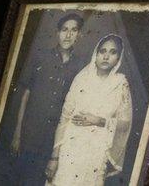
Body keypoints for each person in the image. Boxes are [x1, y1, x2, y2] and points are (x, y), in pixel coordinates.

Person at [46, 34, 133, 186]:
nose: (106, 56)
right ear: (96, 53)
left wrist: (99, 121)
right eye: (102, 51)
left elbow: (125, 125)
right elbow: (64, 119)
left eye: (113, 52)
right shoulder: (81, 78)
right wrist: (54, 157)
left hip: (96, 154)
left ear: (119, 57)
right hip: (70, 150)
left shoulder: (121, 84)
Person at [9, 13, 85, 185]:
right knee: (18, 178)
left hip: (52, 140)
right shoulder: (40, 56)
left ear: (79, 35)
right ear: (57, 32)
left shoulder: (81, 66)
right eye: (64, 30)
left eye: (74, 30)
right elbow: (25, 97)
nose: (68, 35)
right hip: (29, 134)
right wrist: (17, 133)